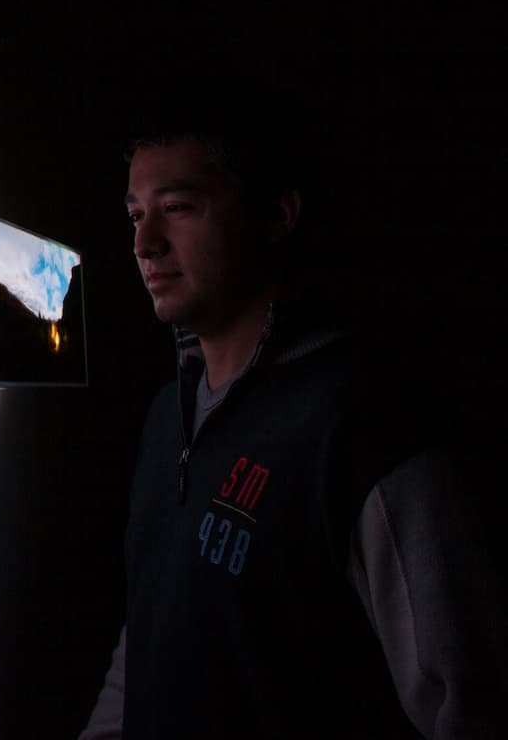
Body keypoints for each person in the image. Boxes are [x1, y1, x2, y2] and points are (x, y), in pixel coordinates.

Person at [80, 116, 506, 739]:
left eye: (177, 207)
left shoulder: (362, 419)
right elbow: (151, 627)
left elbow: (469, 700)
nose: (145, 243)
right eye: (135, 215)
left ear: (277, 215)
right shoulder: (162, 420)